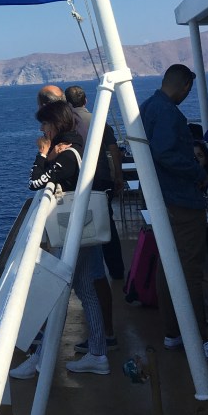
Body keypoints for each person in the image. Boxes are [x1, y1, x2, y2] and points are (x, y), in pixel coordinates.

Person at [140, 63, 208, 362]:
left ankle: (174, 333)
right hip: (182, 201)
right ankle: (200, 340)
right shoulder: (168, 112)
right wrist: (198, 172)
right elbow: (167, 153)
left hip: (163, 199)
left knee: (167, 266)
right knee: (190, 271)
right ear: (184, 87)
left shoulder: (148, 107)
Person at [10, 100, 110, 378]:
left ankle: (42, 359)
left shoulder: (67, 154)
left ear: (55, 124)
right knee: (86, 291)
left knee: (62, 292)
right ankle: (97, 353)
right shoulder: (72, 148)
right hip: (80, 229)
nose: (41, 129)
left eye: (44, 124)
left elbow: (34, 183)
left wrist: (42, 155)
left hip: (73, 232)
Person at [65, 85, 125, 283]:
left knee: (79, 224)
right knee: (107, 222)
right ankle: (116, 271)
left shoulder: (67, 124)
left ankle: (84, 272)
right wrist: (118, 175)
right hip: (100, 178)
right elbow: (114, 149)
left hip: (75, 181)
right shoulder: (99, 122)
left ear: (67, 103)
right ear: (86, 100)